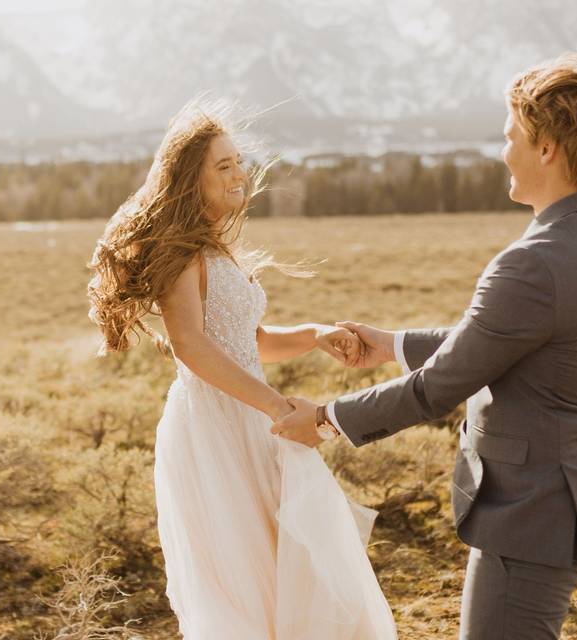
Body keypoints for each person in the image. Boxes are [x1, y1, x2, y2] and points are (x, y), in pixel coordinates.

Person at [272, 52, 577, 640]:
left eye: (511, 136)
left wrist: (324, 419)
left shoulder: (534, 260)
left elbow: (440, 386)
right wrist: (390, 344)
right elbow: (502, 346)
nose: (503, 151)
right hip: (554, 501)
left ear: (547, 148)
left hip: (530, 510)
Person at [88, 100, 397, 640]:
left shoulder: (215, 249)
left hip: (250, 416)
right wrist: (278, 407)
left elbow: (248, 343)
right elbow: (191, 345)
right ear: (191, 179)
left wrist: (315, 335)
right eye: (223, 166)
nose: (239, 174)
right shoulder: (180, 252)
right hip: (215, 427)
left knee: (286, 561)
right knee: (247, 573)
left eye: (239, 161)